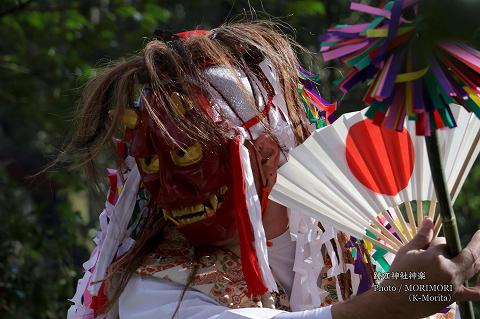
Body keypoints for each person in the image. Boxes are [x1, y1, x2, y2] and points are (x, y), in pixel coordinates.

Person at [67, 22, 480, 319]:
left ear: (264, 154)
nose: (170, 192)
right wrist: (391, 303)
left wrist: (427, 297)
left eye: (189, 157)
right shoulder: (158, 288)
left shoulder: (365, 243)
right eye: (152, 164)